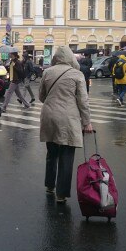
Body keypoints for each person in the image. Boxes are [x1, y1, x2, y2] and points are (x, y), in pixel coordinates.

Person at [39, 46, 93, 203]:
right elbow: (83, 101)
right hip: (68, 118)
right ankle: (61, 194)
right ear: (71, 58)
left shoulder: (47, 72)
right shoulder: (77, 74)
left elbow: (41, 96)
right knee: (66, 155)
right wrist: (87, 122)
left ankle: (49, 185)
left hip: (49, 115)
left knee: (52, 152)